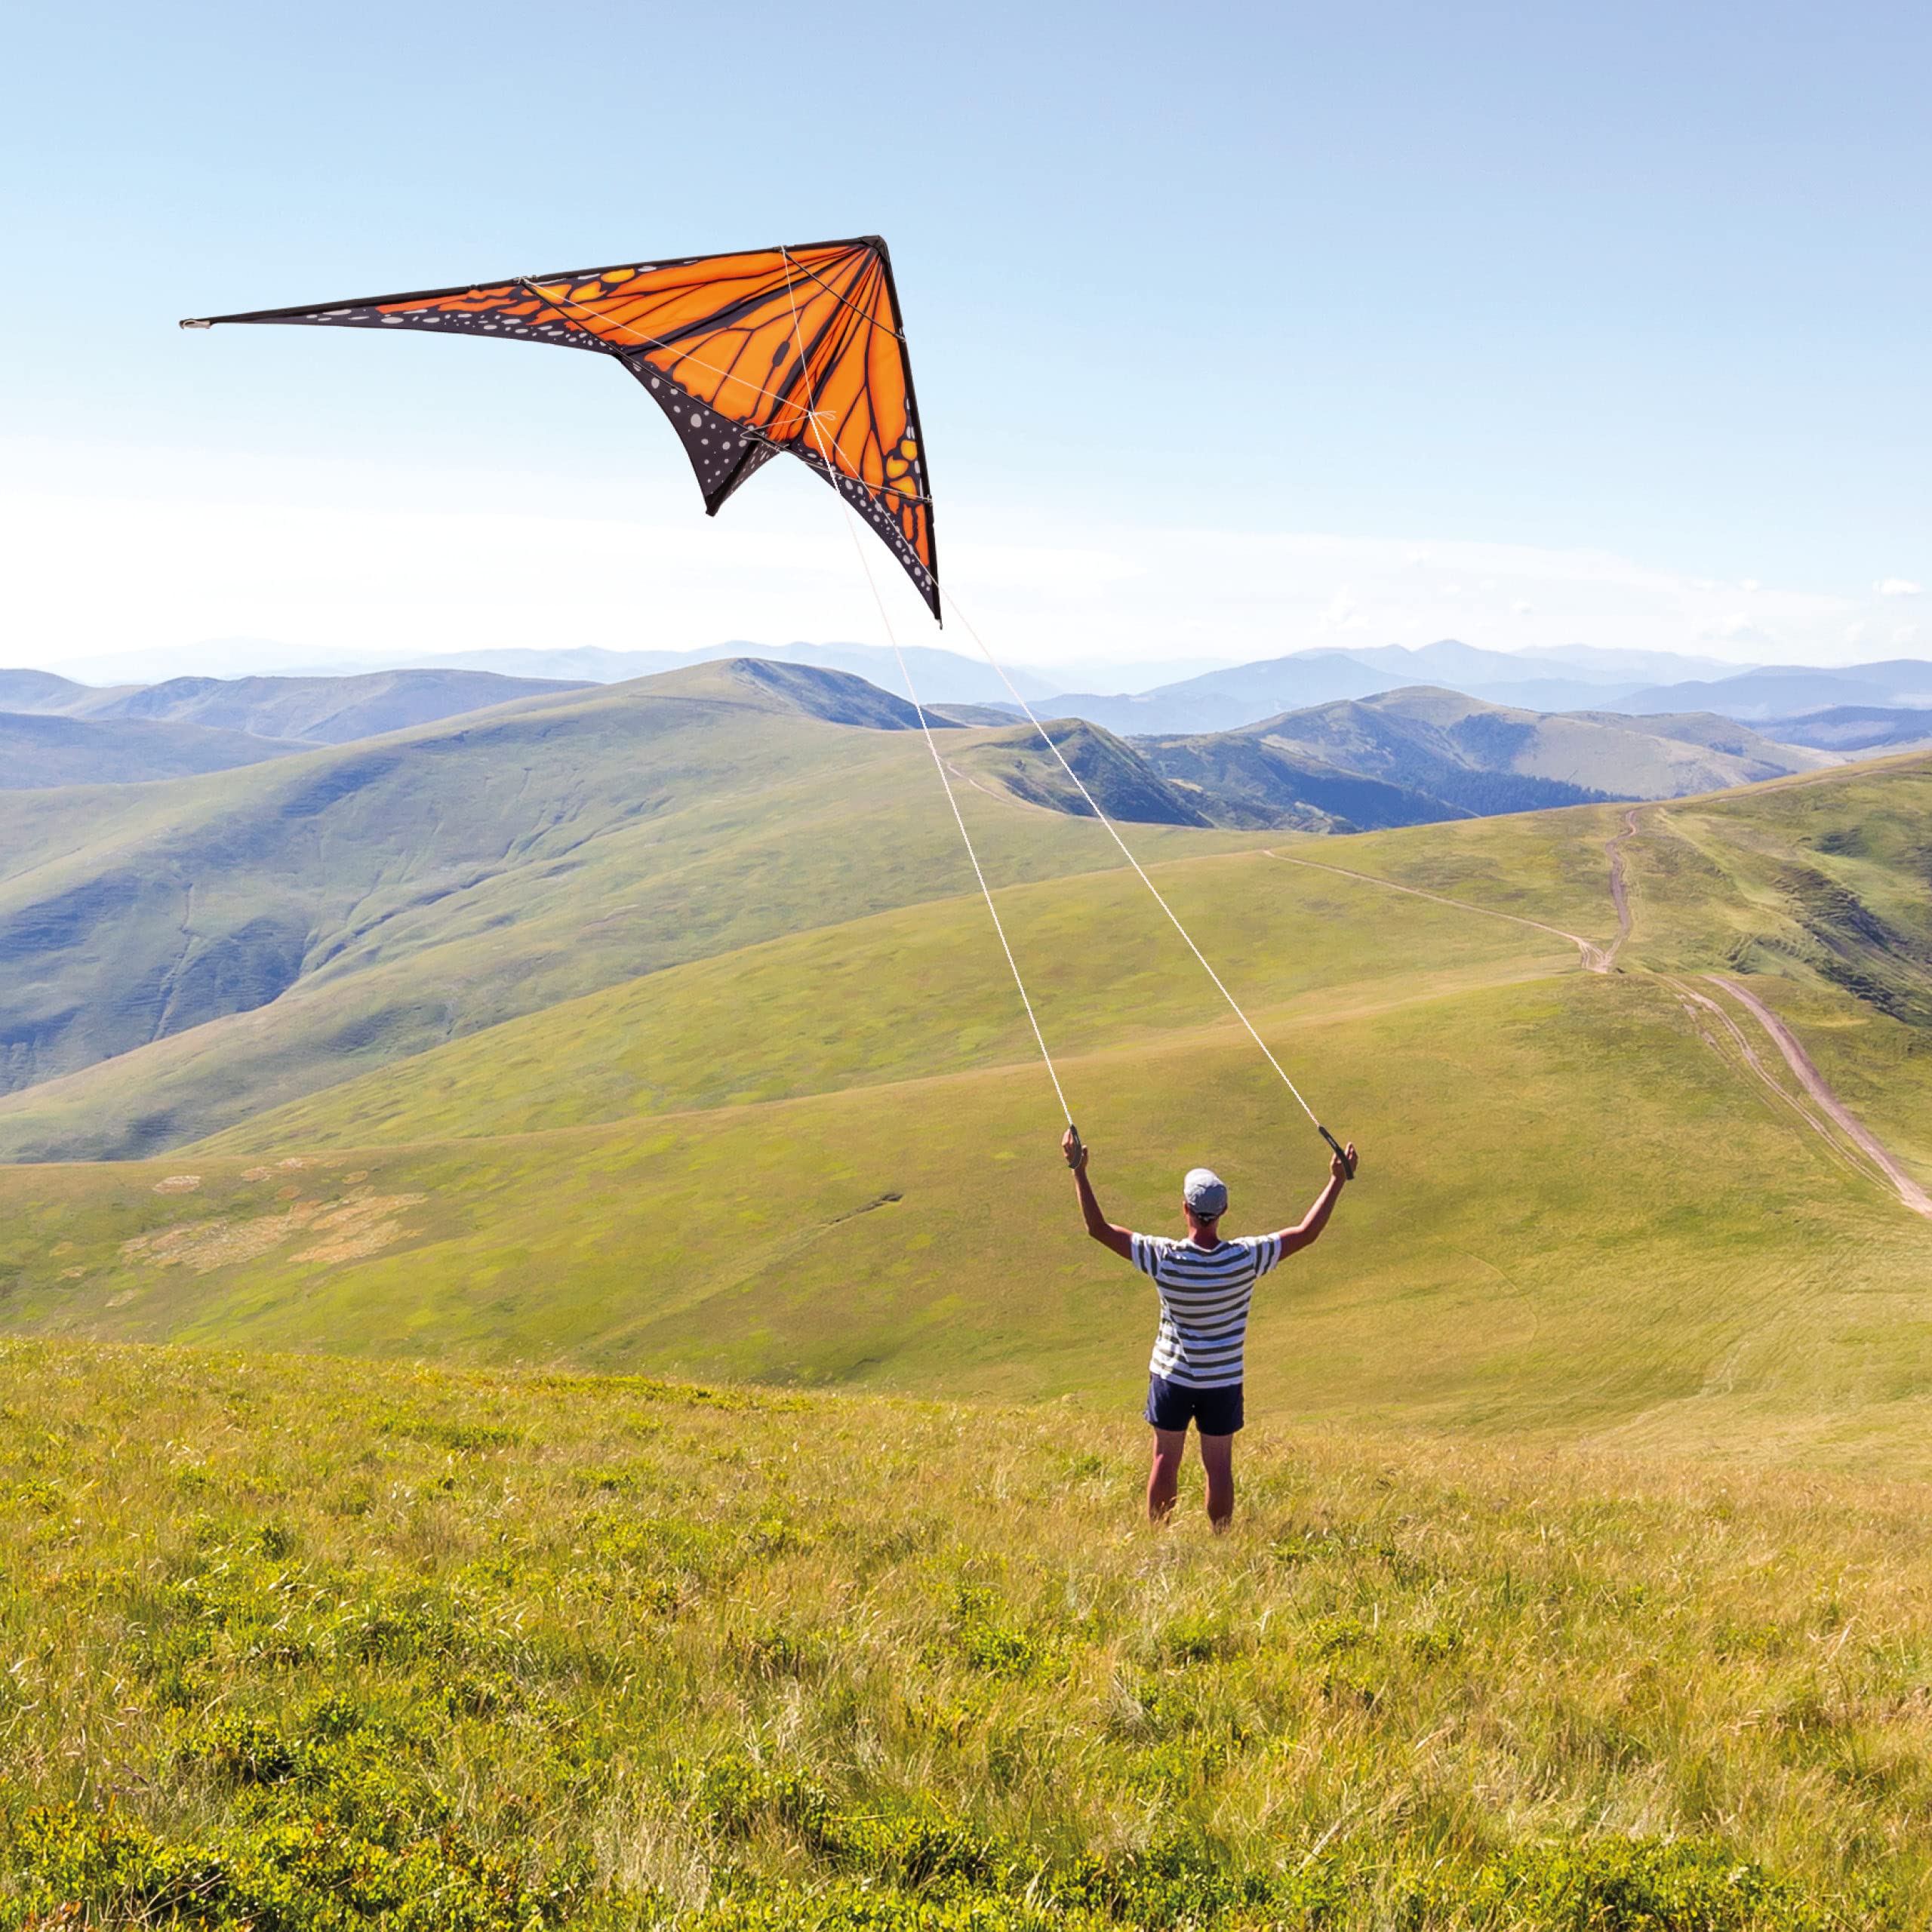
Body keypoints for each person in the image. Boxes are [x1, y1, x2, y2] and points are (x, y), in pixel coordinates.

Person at [1063, 1128, 1357, 1531]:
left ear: (1184, 1208)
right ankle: (1221, 1540)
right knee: (1218, 1465)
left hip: (1173, 1375)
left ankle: (1156, 1535)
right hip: (1222, 1379)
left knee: (1166, 1457)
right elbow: (1306, 1234)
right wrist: (1336, 1182)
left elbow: (1099, 1230)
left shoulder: (1164, 1258)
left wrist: (1079, 1170)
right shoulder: (1244, 1259)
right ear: (1223, 1212)